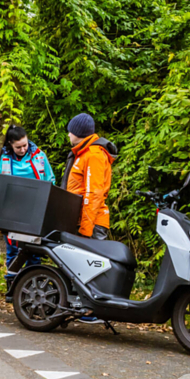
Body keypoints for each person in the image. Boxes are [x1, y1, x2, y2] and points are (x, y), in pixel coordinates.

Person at [61, 113, 118, 325]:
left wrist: (85, 229)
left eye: (70, 131)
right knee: (78, 265)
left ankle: (92, 309)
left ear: (79, 133)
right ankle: (81, 305)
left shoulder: (93, 154)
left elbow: (93, 194)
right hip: (82, 220)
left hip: (92, 223)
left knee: (90, 265)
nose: (68, 134)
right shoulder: (82, 153)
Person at [0, 125, 56, 300]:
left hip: (35, 211)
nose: (23, 149)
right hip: (12, 211)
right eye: (18, 147)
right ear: (10, 144)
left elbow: (50, 179)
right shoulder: (2, 160)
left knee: (35, 250)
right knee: (13, 249)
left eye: (25, 145)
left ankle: (34, 286)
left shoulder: (39, 157)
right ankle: (12, 285)